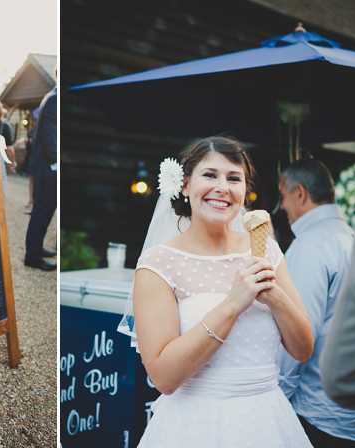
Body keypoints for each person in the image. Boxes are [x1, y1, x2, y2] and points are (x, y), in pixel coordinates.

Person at [119, 136, 313, 447]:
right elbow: (164, 378)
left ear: (243, 191)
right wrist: (233, 304)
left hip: (268, 422)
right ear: (184, 185)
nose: (223, 187)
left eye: (233, 178)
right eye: (210, 175)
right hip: (194, 425)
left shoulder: (268, 253)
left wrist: (273, 295)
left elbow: (304, 349)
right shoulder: (158, 264)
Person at [277, 158, 355, 446]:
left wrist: (277, 401)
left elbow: (297, 334)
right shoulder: (349, 236)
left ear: (300, 193)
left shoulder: (311, 245)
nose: (281, 207)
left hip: (319, 415)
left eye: (283, 196)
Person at [320, 233, 355, 410]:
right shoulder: (346, 233)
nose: (281, 208)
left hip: (323, 409)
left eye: (283, 202)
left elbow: (339, 378)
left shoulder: (309, 245)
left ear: (302, 201)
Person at [24, 83, 57, 271]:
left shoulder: (51, 96)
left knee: (44, 212)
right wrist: (56, 163)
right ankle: (33, 256)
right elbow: (48, 134)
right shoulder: (54, 99)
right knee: (41, 212)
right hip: (48, 167)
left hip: (46, 166)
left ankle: (37, 248)